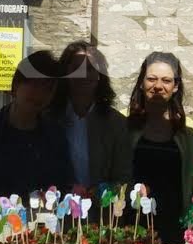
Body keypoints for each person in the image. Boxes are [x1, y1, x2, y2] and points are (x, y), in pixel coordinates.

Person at [0, 50, 73, 211]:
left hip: (38, 223)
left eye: (47, 89)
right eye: (34, 84)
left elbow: (62, 185)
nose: (39, 94)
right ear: (16, 84)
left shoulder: (55, 136)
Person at [127, 52, 193, 244]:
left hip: (174, 231)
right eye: (152, 79)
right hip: (130, 229)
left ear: (175, 86)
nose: (158, 86)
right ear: (141, 83)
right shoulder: (125, 131)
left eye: (166, 80)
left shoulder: (190, 138)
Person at [50, 41, 132, 188]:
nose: (83, 75)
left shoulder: (116, 123)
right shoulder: (49, 118)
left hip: (101, 201)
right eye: (76, 68)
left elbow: (122, 176)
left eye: (90, 69)